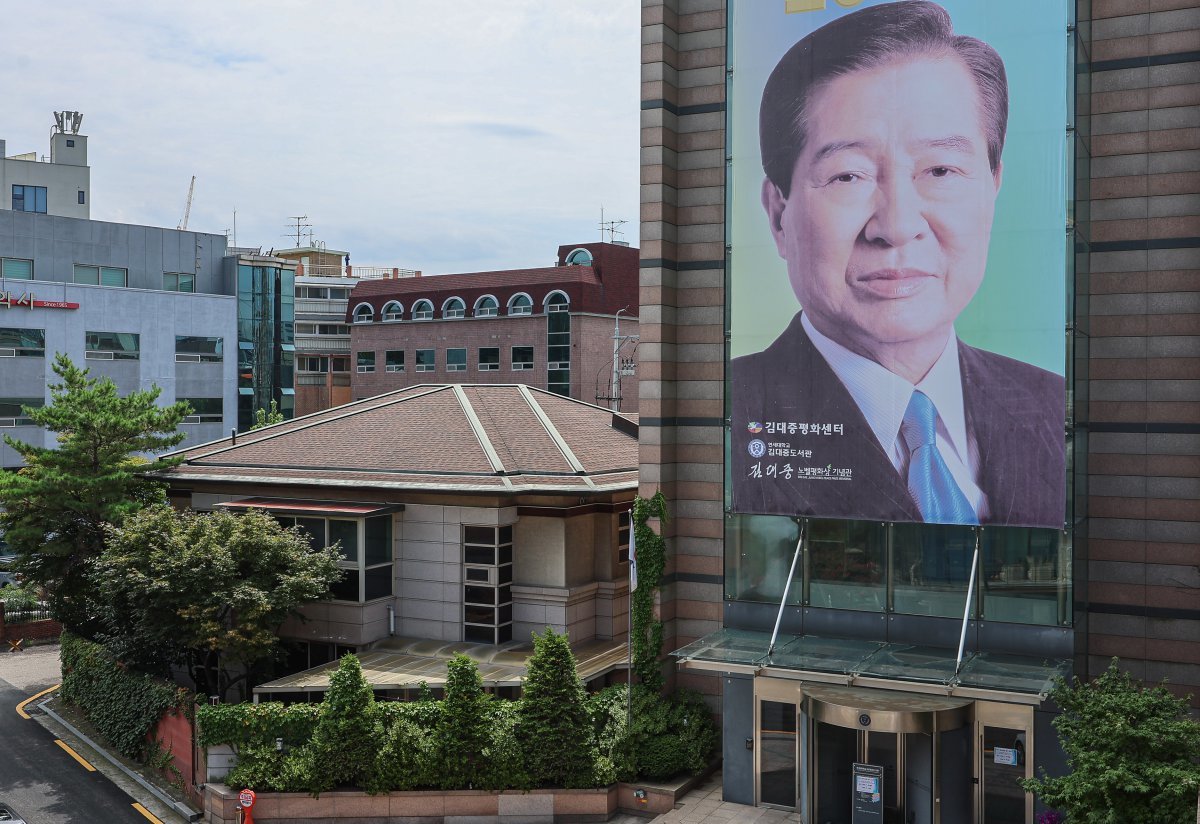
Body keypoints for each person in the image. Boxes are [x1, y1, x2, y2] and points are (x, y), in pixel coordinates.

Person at [731, 0, 1064, 529]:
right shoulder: (727, 419)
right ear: (778, 215)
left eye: (940, 169)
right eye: (848, 176)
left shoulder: (1057, 406)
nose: (897, 224)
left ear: (992, 186)